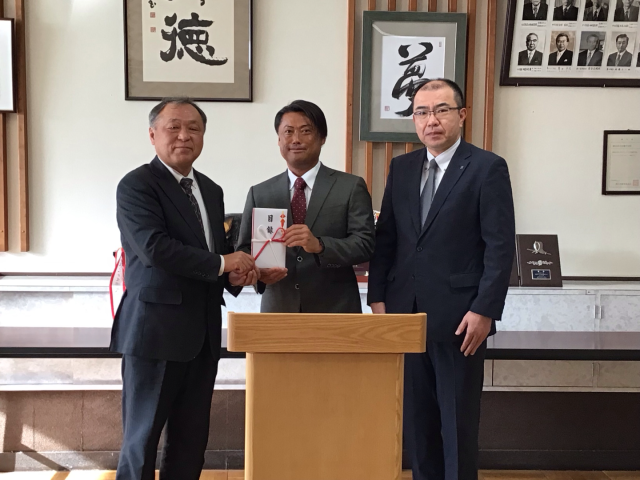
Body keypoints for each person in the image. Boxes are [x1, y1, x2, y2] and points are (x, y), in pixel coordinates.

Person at [368, 79, 515, 480]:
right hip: (406, 316)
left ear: (461, 115)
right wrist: (377, 297)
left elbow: (500, 246)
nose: (431, 120)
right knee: (418, 427)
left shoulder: (486, 168)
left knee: (457, 424)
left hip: (460, 320)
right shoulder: (402, 168)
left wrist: (484, 310)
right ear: (414, 120)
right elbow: (388, 238)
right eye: (422, 112)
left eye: (441, 110)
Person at [112, 98, 258, 480]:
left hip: (203, 337)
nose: (184, 135)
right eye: (173, 127)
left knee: (190, 444)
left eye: (194, 128)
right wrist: (224, 263)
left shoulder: (210, 189)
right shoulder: (137, 185)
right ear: (152, 134)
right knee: (141, 443)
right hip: (155, 335)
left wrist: (236, 276)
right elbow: (155, 248)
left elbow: (212, 255)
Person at [237, 100, 375, 313]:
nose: (296, 139)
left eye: (305, 131)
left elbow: (365, 244)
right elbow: (245, 249)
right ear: (279, 139)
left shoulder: (350, 187)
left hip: (335, 309)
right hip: (278, 310)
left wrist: (320, 245)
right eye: (288, 132)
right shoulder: (260, 193)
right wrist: (259, 274)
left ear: (322, 138)